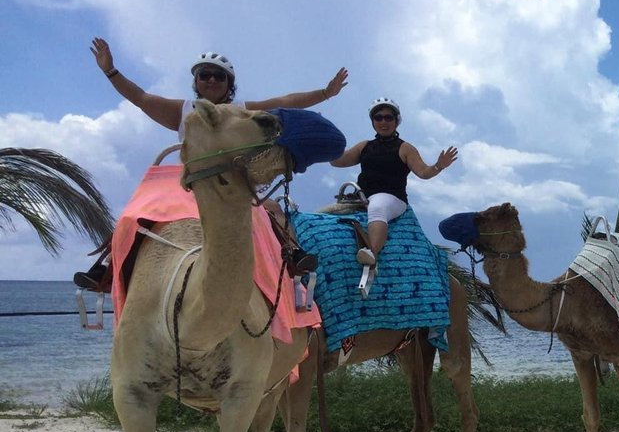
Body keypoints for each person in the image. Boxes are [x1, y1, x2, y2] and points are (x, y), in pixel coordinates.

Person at [74, 38, 348, 288]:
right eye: (205, 75)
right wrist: (111, 71)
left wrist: (325, 93)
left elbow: (285, 101)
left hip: (232, 182)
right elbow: (141, 98)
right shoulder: (182, 111)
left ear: (230, 83)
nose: (212, 80)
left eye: (219, 76)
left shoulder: (242, 111)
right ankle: (107, 269)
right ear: (196, 81)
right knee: (136, 211)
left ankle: (293, 256)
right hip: (189, 181)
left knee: (273, 209)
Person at [329, 98, 458, 267]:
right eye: (378, 117)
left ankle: (372, 253)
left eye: (388, 117)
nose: (383, 121)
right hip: (360, 198)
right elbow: (337, 161)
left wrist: (439, 166)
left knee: (377, 206)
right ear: (373, 121)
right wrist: (327, 142)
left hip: (391, 198)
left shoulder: (405, 148)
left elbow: (424, 173)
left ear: (397, 121)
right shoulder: (364, 146)